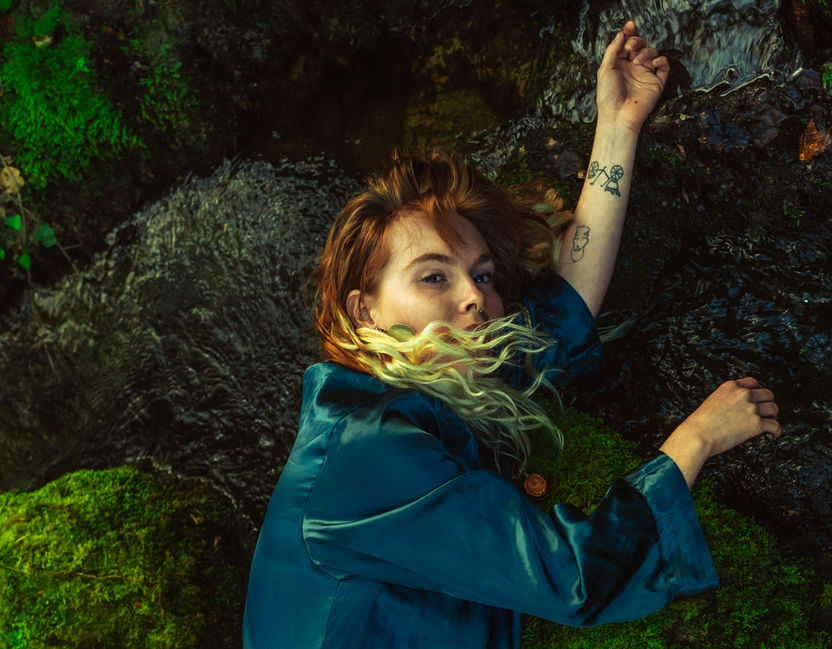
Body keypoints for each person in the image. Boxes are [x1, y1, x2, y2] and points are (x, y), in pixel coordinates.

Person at [243, 20, 781, 649]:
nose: (475, 296)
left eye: (484, 275)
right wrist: (695, 441)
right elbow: (573, 578)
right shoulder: (365, 451)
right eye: (433, 276)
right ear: (364, 312)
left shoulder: (435, 393)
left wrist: (618, 125)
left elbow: (566, 307)